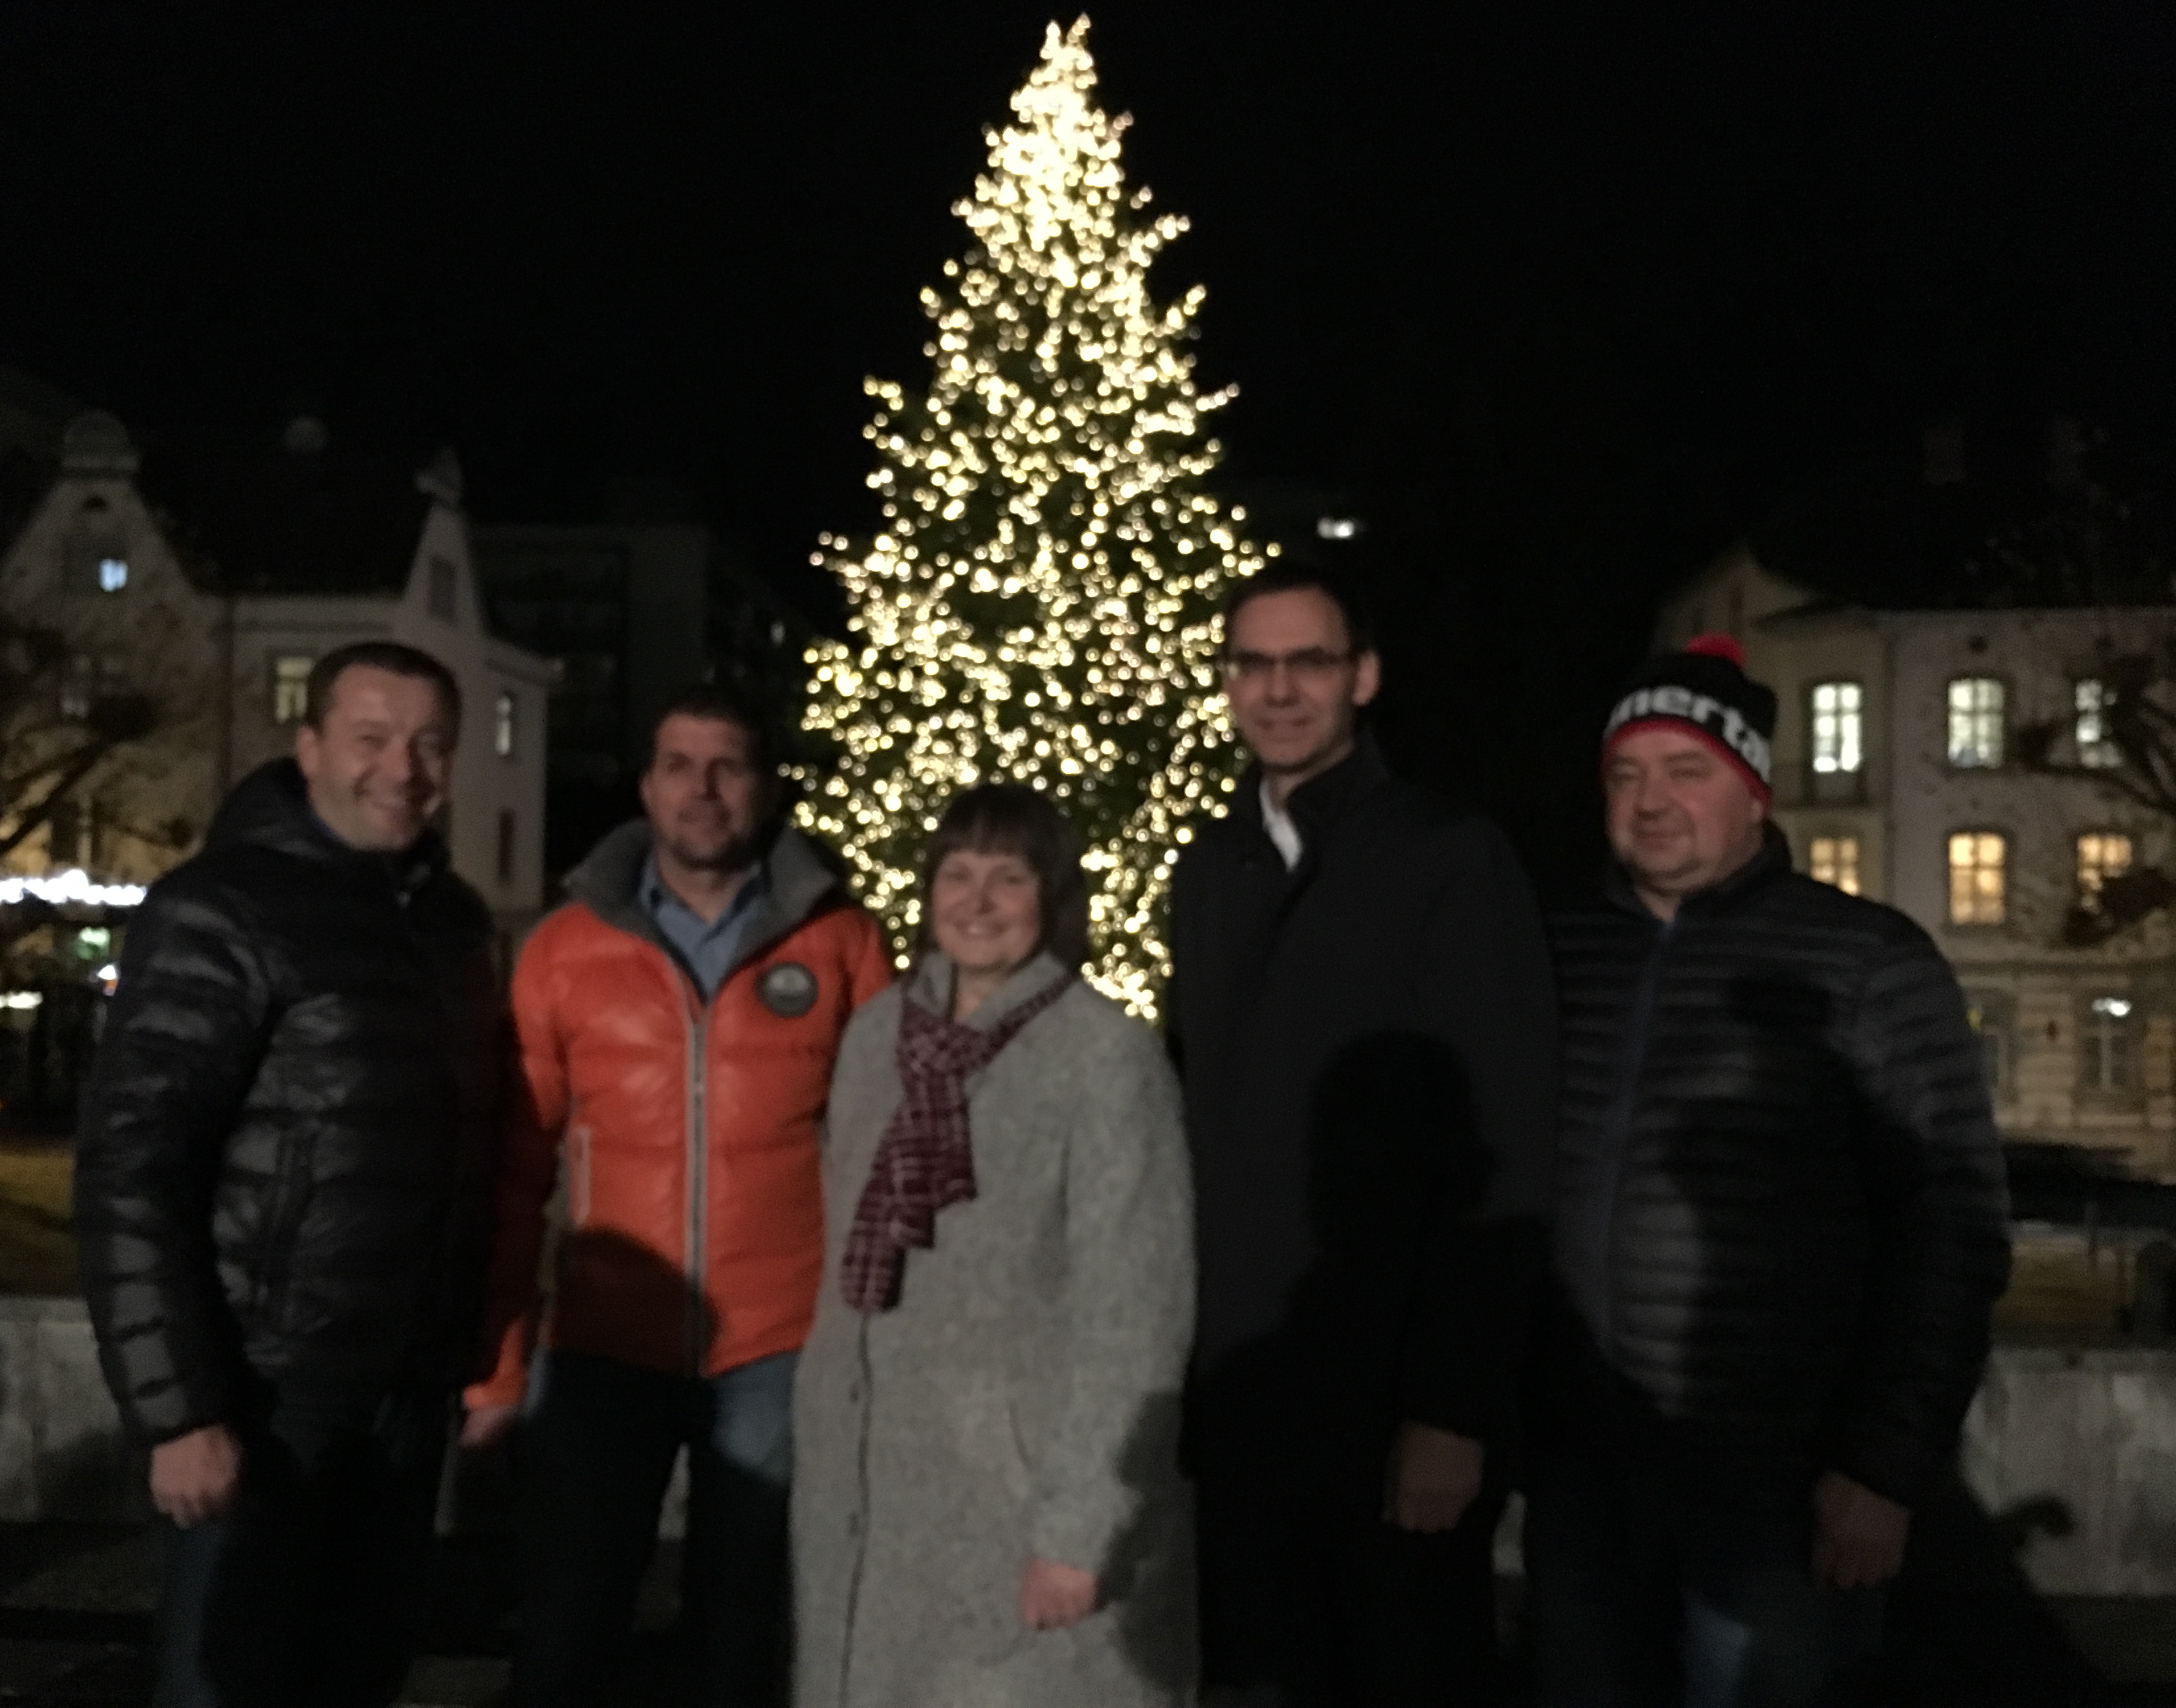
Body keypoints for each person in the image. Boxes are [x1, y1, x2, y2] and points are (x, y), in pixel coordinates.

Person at [1529, 634, 2012, 1707]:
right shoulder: (1555, 949)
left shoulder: (1866, 963)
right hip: (1587, 1480)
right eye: (1625, 773)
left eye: (1687, 770)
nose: (1651, 801)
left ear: (1754, 791)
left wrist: (1884, 1469)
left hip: (1782, 1491)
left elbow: (1954, 1230)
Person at [76, 642, 510, 1708]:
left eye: (427, 745)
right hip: (263, 1400)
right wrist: (179, 1412)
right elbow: (133, 1166)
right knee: (231, 1684)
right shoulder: (220, 907)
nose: (401, 769)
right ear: (308, 746)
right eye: (371, 739)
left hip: (400, 1401)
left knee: (353, 1683)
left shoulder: (449, 925)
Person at [1171, 559, 1559, 1706]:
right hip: (1241, 1410)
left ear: (1366, 677)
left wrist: (1452, 1407)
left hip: (1391, 1411)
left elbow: (1505, 1146)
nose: (1279, 689)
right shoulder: (1210, 869)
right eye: (1254, 663)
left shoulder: (1449, 859)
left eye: (1310, 662)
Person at [463, 684, 893, 1706]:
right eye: (680, 767)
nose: (704, 791)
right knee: (568, 1625)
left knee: (749, 1634)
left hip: (778, 1347)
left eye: (728, 765)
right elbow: (520, 1170)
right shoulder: (564, 949)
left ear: (765, 784)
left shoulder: (841, 943)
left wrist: (877, 1350)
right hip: (606, 1345)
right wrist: (497, 1370)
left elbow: (886, 1158)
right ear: (647, 786)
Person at [793, 785, 1196, 1708]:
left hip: (1017, 1498)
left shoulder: (1104, 1061)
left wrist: (1082, 1526)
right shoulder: (876, 1036)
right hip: (874, 1482)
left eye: (1008, 879)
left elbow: (1135, 1311)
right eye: (958, 874)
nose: (976, 902)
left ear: (1052, 900)